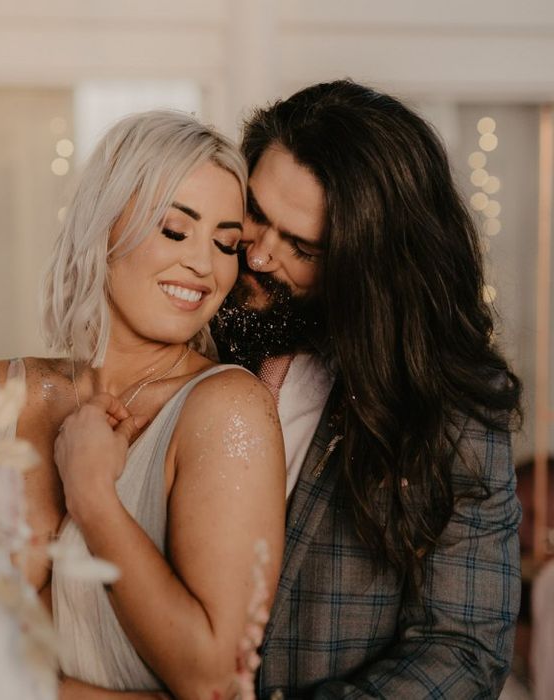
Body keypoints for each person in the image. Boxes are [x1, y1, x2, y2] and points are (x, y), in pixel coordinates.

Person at [210, 79, 523, 698]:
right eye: (256, 216)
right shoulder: (187, 333)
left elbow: (463, 650)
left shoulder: (450, 406)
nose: (260, 257)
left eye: (300, 246)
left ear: (368, 266)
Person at [0, 110, 286, 698]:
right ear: (103, 229)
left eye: (226, 243)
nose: (204, 265)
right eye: (176, 230)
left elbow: (213, 680)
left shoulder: (228, 409)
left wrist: (93, 498)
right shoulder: (1, 393)